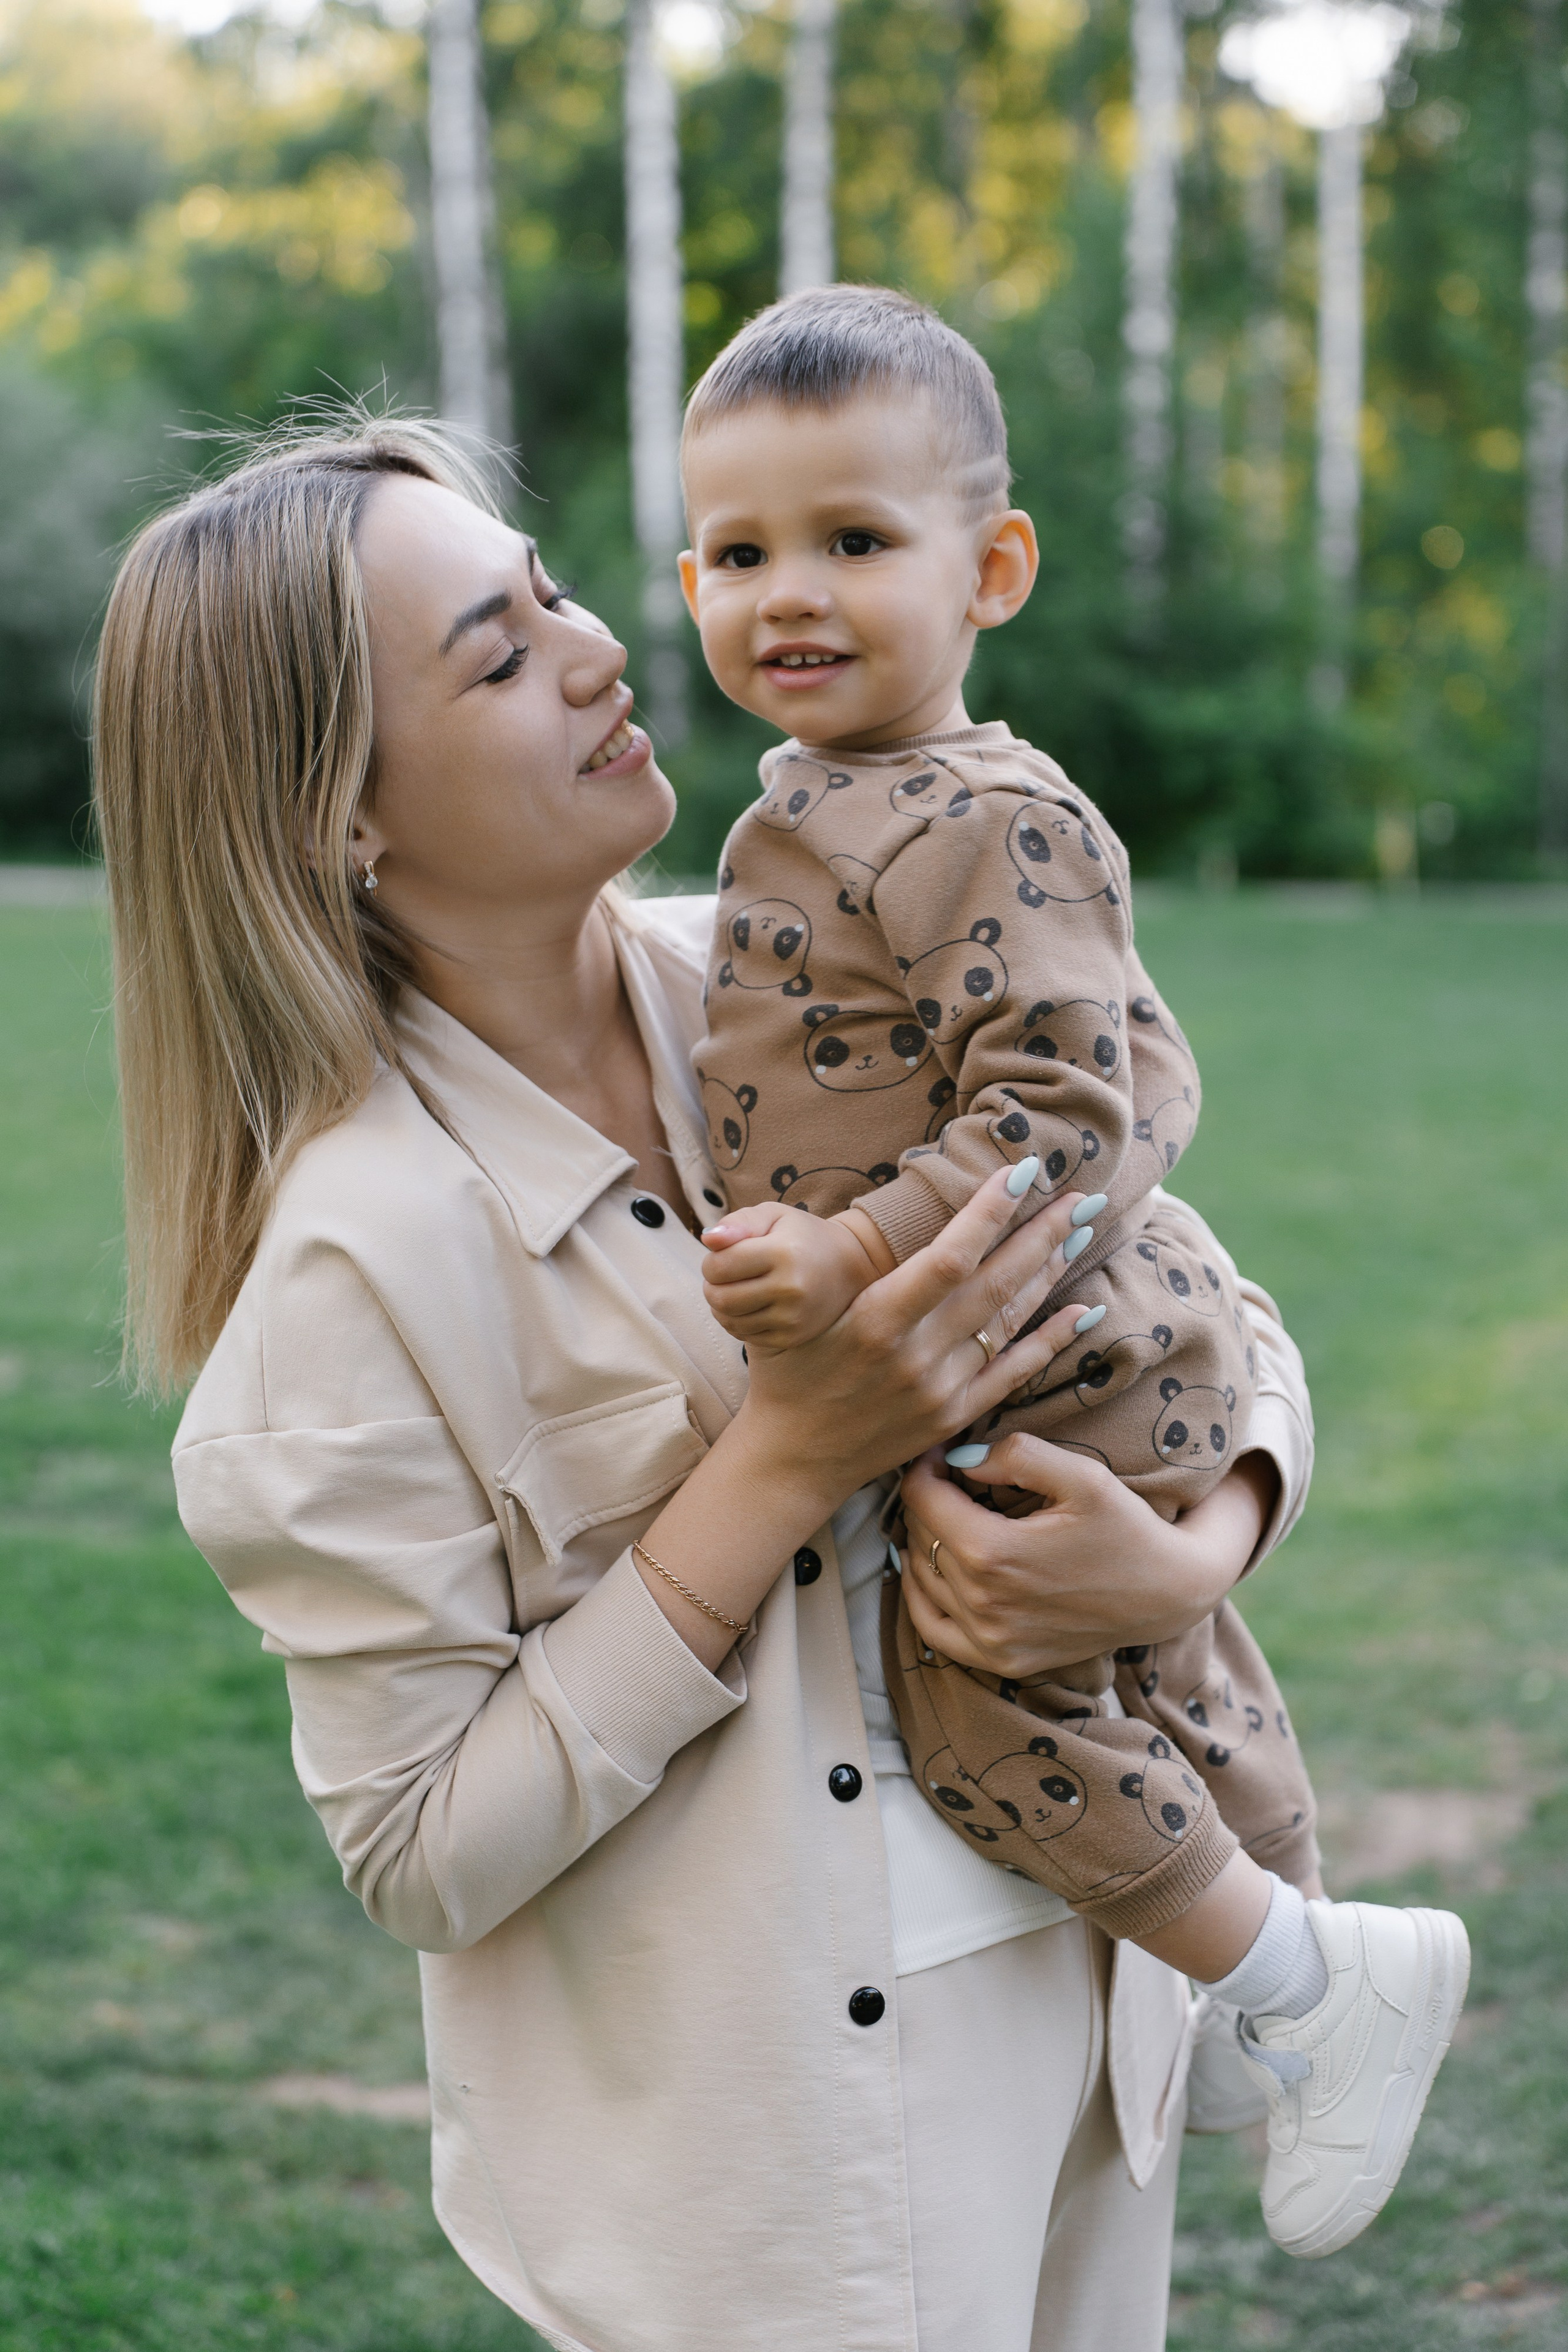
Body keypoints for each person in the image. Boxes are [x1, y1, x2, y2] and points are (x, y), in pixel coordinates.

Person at [98, 405, 1313, 2352]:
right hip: (783, 2197)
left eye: (554, 591)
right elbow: (420, 1853)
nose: (597, 648)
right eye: (496, 653)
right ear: (338, 813)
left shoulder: (791, 973)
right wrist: (779, 1467)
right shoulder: (352, 1271)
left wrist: (1193, 1551)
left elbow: (1205, 1297)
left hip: (1095, 2027)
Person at [679, 285, 1469, 2260]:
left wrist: (855, 1246)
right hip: (1012, 1333)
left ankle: (1297, 1981)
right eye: (739, 551)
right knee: (1138, 1656)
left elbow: (1073, 1108)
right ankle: (1258, 1975)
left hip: (1050, 1336)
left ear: (993, 566)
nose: (791, 592)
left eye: (856, 542)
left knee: (988, 1700)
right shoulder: (818, 805)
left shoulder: (991, 822)